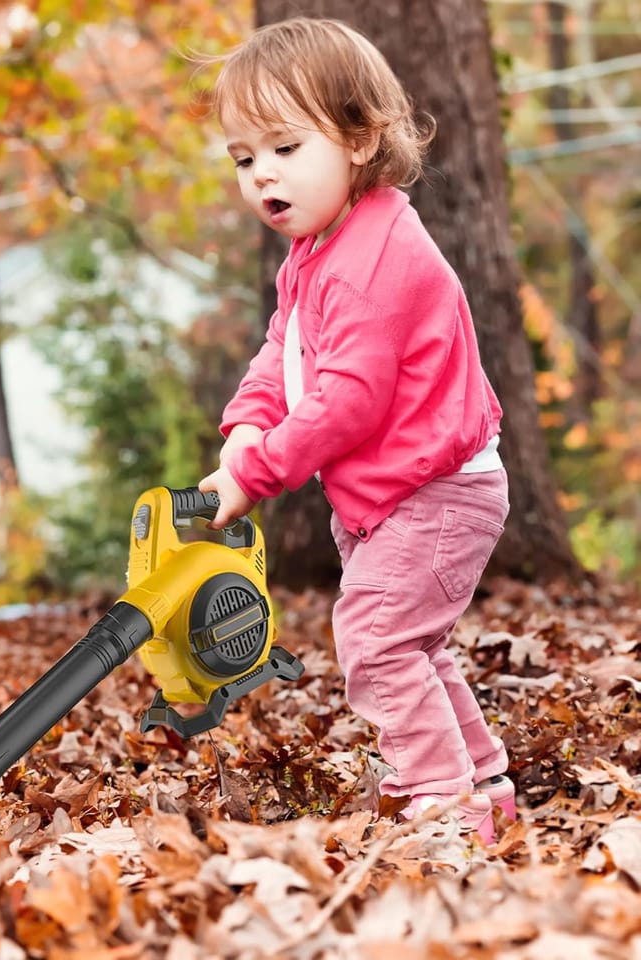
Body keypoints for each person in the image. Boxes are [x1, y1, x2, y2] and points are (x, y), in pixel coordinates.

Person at [197, 17, 515, 843]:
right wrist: (247, 425)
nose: (261, 173)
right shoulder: (318, 251)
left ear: (361, 137)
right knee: (415, 646)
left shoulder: (373, 260)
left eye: (284, 147)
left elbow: (348, 401)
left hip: (436, 492)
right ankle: (483, 785)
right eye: (243, 158)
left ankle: (443, 810)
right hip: (406, 494)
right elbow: (283, 351)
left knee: (375, 642)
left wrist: (257, 473)